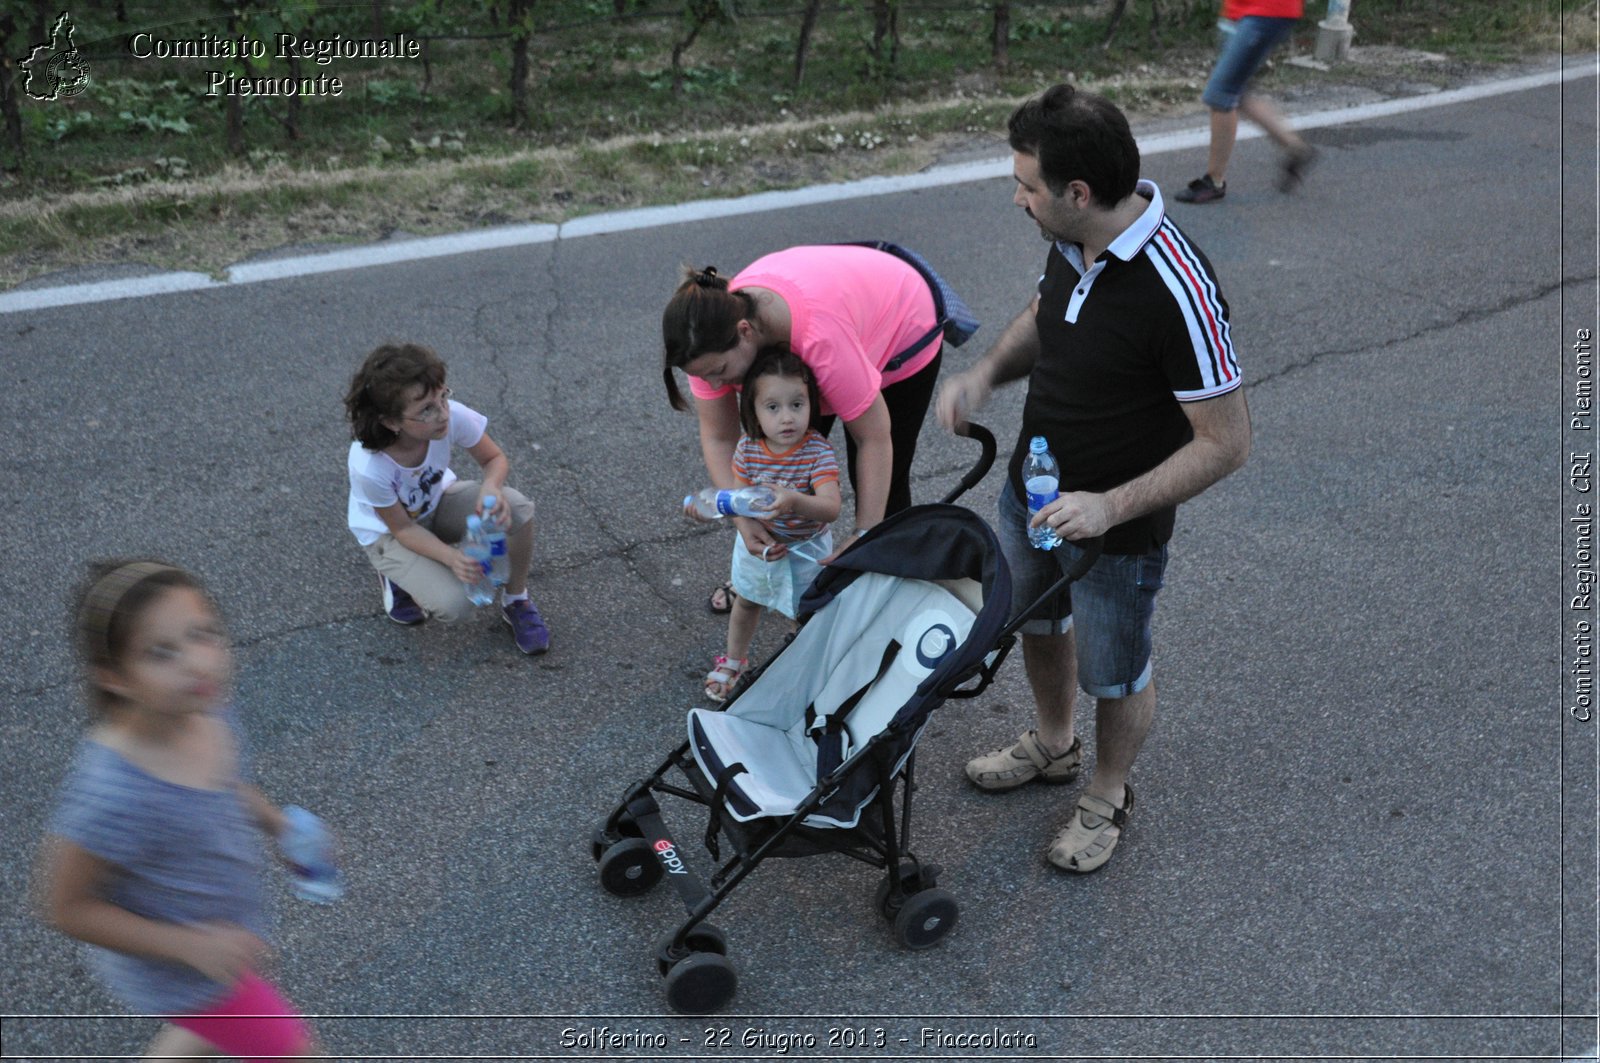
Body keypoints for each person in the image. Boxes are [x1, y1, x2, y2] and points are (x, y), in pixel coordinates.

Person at [937, 84, 1251, 872]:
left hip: (1116, 526)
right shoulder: (1070, 236)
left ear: (1078, 192)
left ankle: (1108, 790)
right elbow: (1044, 315)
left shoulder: (1177, 289)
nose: (1017, 198)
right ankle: (1052, 742)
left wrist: (1108, 506)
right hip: (1034, 488)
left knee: (1116, 668)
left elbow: (1228, 442)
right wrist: (984, 378)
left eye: (1026, 185)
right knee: (1037, 623)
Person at [37, 560, 323, 1060]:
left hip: (223, 933)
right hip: (179, 967)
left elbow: (225, 783)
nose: (197, 662)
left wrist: (277, 823)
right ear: (115, 678)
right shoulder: (113, 794)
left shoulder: (202, 707)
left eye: (202, 634)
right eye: (161, 652)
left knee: (228, 1004)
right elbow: (65, 907)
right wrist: (192, 947)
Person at [661, 243, 953, 613]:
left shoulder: (822, 343)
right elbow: (721, 437)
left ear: (745, 331)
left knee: (880, 484)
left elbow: (874, 439)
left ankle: (885, 581)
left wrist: (865, 533)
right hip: (832, 308)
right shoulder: (706, 346)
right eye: (703, 377)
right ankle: (768, 575)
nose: (716, 387)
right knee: (779, 461)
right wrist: (741, 515)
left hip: (902, 316)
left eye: (719, 373)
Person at [344, 342, 550, 655]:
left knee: (517, 508)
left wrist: (491, 488)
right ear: (391, 422)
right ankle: (395, 574)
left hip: (435, 501)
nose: (442, 414)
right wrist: (451, 558)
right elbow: (403, 529)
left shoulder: (450, 417)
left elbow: (494, 459)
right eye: (426, 409)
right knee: (456, 606)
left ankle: (516, 600)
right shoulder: (369, 466)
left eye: (443, 396)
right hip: (389, 532)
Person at [689, 347, 842, 701]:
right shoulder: (748, 448)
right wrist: (714, 507)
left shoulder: (817, 452)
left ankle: (799, 672)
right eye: (773, 407)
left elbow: (831, 507)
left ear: (811, 404)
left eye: (797, 404)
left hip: (805, 549)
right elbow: (740, 500)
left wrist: (793, 500)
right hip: (758, 545)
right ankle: (735, 660)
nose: (786, 417)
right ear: (754, 411)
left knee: (802, 615)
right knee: (747, 601)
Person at [1174, 0, 1317, 204]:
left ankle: (1214, 182)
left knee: (1221, 93)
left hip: (1266, 11)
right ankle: (1296, 148)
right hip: (1240, 9)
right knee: (1237, 93)